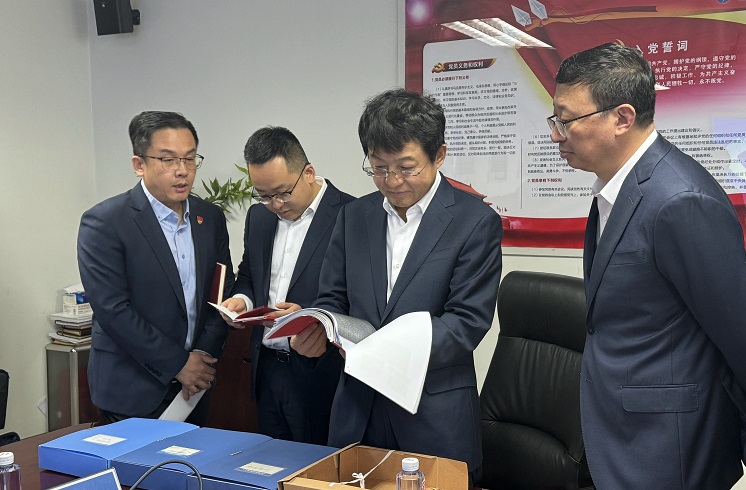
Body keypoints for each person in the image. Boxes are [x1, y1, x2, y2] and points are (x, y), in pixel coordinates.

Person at [548, 42, 746, 489]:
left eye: (566, 120)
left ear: (622, 117)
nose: (556, 135)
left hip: (668, 443)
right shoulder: (618, 188)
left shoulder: (680, 199)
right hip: (618, 427)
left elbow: (741, 326)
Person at [291, 88, 503, 483]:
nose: (391, 181)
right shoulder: (354, 216)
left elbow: (466, 322)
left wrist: (383, 352)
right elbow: (333, 297)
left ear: (438, 155)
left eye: (406, 167)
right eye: (378, 168)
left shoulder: (474, 221)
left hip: (432, 416)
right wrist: (319, 327)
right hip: (358, 412)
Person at [78, 111, 234, 424]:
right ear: (139, 164)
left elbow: (221, 290)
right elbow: (113, 309)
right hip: (132, 386)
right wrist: (179, 364)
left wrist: (202, 356)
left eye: (190, 159)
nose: (182, 171)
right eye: (168, 160)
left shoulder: (209, 217)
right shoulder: (106, 222)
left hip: (195, 384)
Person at [218, 126, 354, 444]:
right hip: (267, 369)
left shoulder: (351, 215)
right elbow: (250, 275)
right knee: (272, 463)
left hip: (322, 371)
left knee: (318, 465)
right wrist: (242, 300)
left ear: (308, 173)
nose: (276, 204)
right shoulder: (259, 217)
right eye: (264, 195)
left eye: (282, 193)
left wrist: (311, 317)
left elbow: (361, 296)